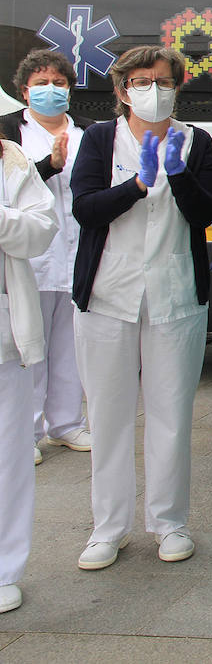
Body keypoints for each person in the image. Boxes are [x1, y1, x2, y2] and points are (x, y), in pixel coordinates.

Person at [70, 45, 212, 571]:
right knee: (108, 414)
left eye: (162, 80)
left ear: (178, 87)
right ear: (121, 89)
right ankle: (108, 527)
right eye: (140, 80)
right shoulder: (99, 138)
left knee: (171, 414)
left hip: (175, 294)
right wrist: (135, 185)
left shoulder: (197, 142)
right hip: (109, 294)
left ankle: (170, 521)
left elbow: (207, 211)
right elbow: (85, 209)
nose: (152, 89)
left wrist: (176, 173)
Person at [1, 49, 93, 463]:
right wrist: (49, 165)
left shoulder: (88, 133)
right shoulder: (9, 133)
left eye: (58, 83)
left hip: (77, 253)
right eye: (41, 84)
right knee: (29, 348)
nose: (50, 91)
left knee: (70, 347)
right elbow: (13, 190)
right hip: (30, 258)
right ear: (24, 91)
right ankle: (28, 430)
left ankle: (66, 423)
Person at [0, 92, 61, 615]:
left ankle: (3, 569)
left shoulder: (12, 162)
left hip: (4, 337)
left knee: (9, 455)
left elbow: (41, 230)